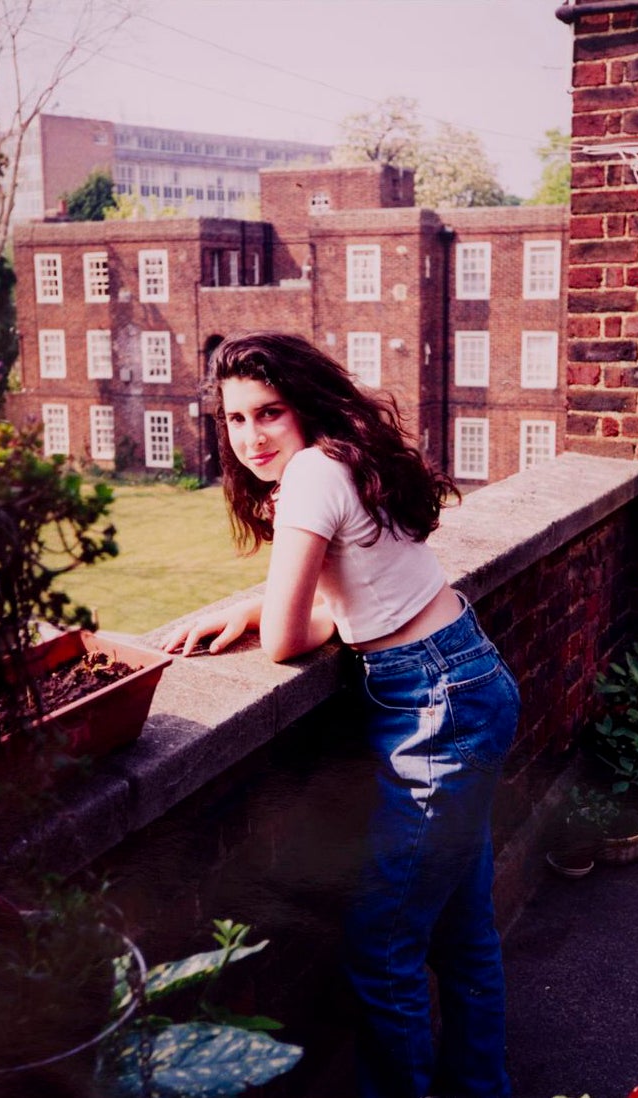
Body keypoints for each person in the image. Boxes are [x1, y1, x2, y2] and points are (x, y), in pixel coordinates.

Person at [162, 331, 521, 1098]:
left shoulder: (310, 476)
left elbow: (290, 639)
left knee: (380, 947)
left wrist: (263, 610)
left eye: (269, 413)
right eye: (234, 419)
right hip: (463, 676)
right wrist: (267, 604)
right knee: (460, 932)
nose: (251, 436)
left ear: (303, 408)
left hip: (435, 709)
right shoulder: (345, 454)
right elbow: (349, 604)